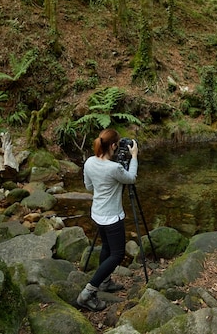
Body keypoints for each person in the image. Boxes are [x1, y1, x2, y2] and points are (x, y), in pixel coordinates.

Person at [77, 128, 138, 311]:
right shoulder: (114, 168)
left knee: (106, 247)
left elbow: (89, 186)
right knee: (117, 254)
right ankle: (88, 292)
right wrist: (134, 156)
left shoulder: (89, 162)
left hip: (97, 213)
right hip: (112, 217)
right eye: (117, 145)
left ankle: (104, 282)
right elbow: (131, 178)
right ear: (112, 146)